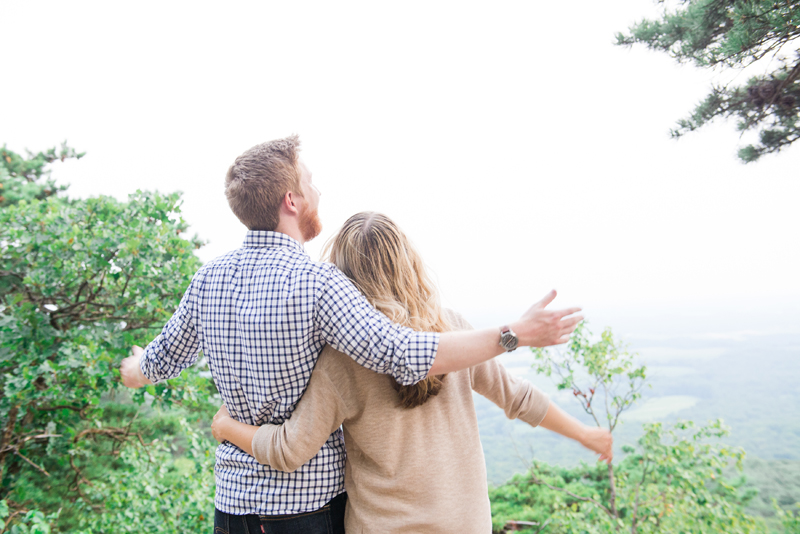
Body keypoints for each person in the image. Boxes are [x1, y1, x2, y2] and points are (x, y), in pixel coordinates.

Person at [119, 136, 584, 534]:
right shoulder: (320, 284)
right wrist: (513, 335)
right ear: (291, 201)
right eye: (311, 182)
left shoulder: (208, 280)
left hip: (233, 505)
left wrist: (132, 368)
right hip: (306, 508)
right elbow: (401, 351)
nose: (319, 189)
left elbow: (154, 364)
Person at [210, 212, 612, 533]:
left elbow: (288, 450)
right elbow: (519, 397)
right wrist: (585, 434)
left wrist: (226, 426)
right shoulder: (452, 330)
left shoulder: (342, 361)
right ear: (409, 264)